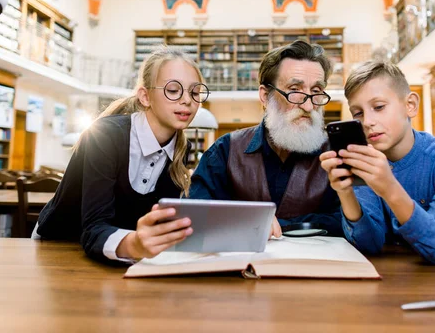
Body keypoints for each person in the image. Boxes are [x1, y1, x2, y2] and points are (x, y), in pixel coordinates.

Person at [34, 47, 210, 263]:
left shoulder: (181, 150)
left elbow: (155, 225)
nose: (187, 101)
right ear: (145, 97)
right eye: (173, 90)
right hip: (59, 248)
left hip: (120, 254)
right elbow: (93, 226)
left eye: (195, 92)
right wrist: (135, 244)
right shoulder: (106, 135)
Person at [320, 61, 435, 264]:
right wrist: (345, 193)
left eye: (378, 107)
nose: (367, 121)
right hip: (395, 275)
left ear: (410, 105)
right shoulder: (367, 161)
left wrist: (389, 187)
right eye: (358, 113)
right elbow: (369, 245)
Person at [189, 40, 342, 237]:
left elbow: (347, 222)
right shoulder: (225, 151)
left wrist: (272, 224)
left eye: (316, 92)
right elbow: (196, 213)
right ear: (265, 96)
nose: (308, 106)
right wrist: (251, 219)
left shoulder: (335, 154)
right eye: (295, 90)